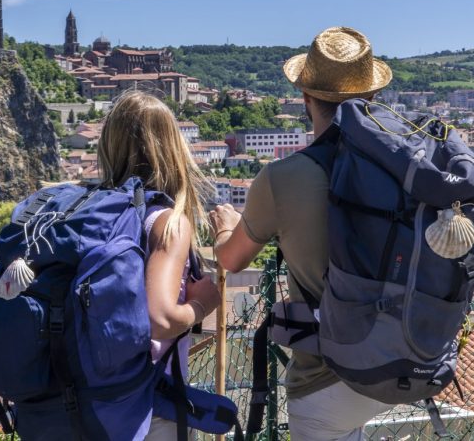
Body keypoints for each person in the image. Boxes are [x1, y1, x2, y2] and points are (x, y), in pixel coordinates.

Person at [210, 27, 393, 440]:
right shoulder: (403, 168)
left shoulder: (283, 177)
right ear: (373, 98)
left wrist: (223, 228)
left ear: (306, 99)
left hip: (327, 377)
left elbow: (232, 259)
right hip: (401, 359)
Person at [98, 90, 222, 440]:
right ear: (171, 148)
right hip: (148, 407)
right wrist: (202, 304)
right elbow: (160, 319)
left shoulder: (91, 214)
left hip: (91, 401)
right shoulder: (167, 223)